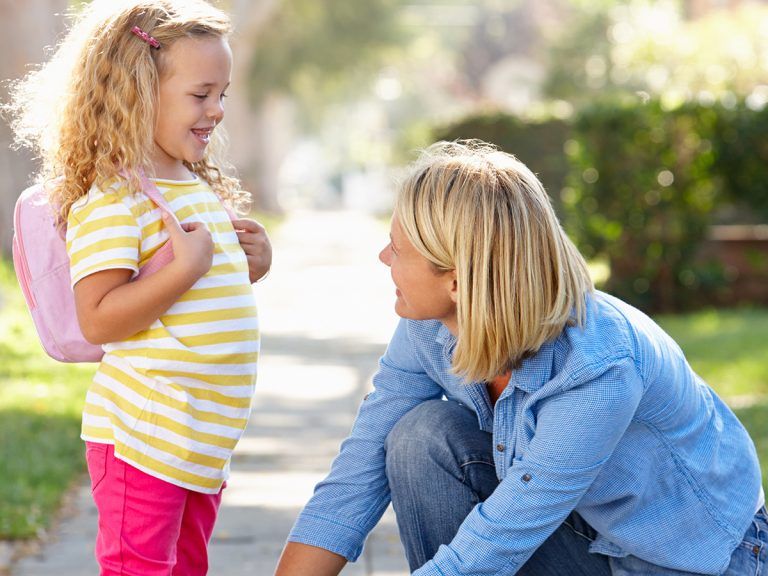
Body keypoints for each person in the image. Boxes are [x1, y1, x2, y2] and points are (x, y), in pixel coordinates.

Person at [276, 140, 766, 576]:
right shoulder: (429, 325)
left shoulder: (597, 368)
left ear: (456, 280)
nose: (384, 258)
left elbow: (497, 541)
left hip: (685, 560)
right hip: (581, 532)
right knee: (420, 435)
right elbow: (356, 472)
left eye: (398, 249)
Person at [5, 1, 270, 574]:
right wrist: (185, 269)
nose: (217, 110)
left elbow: (201, 296)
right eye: (201, 95)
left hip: (200, 438)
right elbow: (99, 318)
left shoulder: (192, 185)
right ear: (137, 92)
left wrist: (252, 262)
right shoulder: (113, 199)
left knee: (185, 568)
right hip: (143, 436)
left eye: (222, 94)